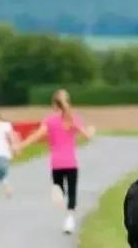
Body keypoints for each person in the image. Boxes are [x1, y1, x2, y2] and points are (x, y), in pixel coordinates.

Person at [17, 88, 95, 234]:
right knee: (72, 192)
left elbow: (37, 135)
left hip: (56, 163)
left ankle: (59, 196)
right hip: (71, 163)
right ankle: (70, 219)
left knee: (59, 192)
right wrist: (91, 130)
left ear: (54, 104)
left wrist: (21, 145)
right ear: (68, 103)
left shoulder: (50, 120)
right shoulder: (74, 119)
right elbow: (87, 136)